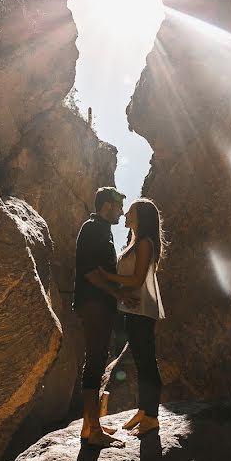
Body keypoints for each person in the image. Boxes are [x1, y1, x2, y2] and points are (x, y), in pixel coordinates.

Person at [99, 198, 166, 437]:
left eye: (131, 211)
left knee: (147, 362)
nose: (126, 214)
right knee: (140, 361)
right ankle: (143, 410)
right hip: (132, 309)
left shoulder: (145, 243)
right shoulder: (135, 242)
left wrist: (108, 277)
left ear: (141, 217)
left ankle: (151, 417)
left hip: (142, 310)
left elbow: (137, 280)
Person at [73, 187, 134, 447]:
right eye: (119, 207)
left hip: (99, 305)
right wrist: (117, 294)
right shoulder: (92, 229)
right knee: (95, 361)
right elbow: (90, 272)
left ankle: (91, 423)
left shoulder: (101, 230)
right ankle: (91, 428)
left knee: (97, 359)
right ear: (108, 205)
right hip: (94, 304)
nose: (122, 212)